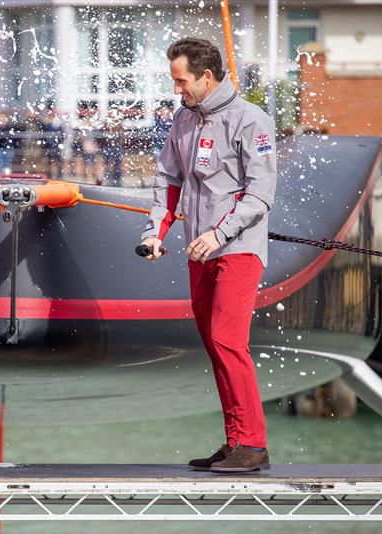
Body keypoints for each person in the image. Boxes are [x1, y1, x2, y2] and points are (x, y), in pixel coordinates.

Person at [139, 38, 277, 472]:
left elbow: (260, 195)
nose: (177, 90)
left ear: (206, 76)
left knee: (226, 340)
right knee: (213, 344)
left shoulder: (251, 121)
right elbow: (168, 181)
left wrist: (220, 234)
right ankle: (236, 440)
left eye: (182, 82)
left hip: (237, 249)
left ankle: (253, 445)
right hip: (199, 253)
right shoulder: (184, 120)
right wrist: (154, 233)